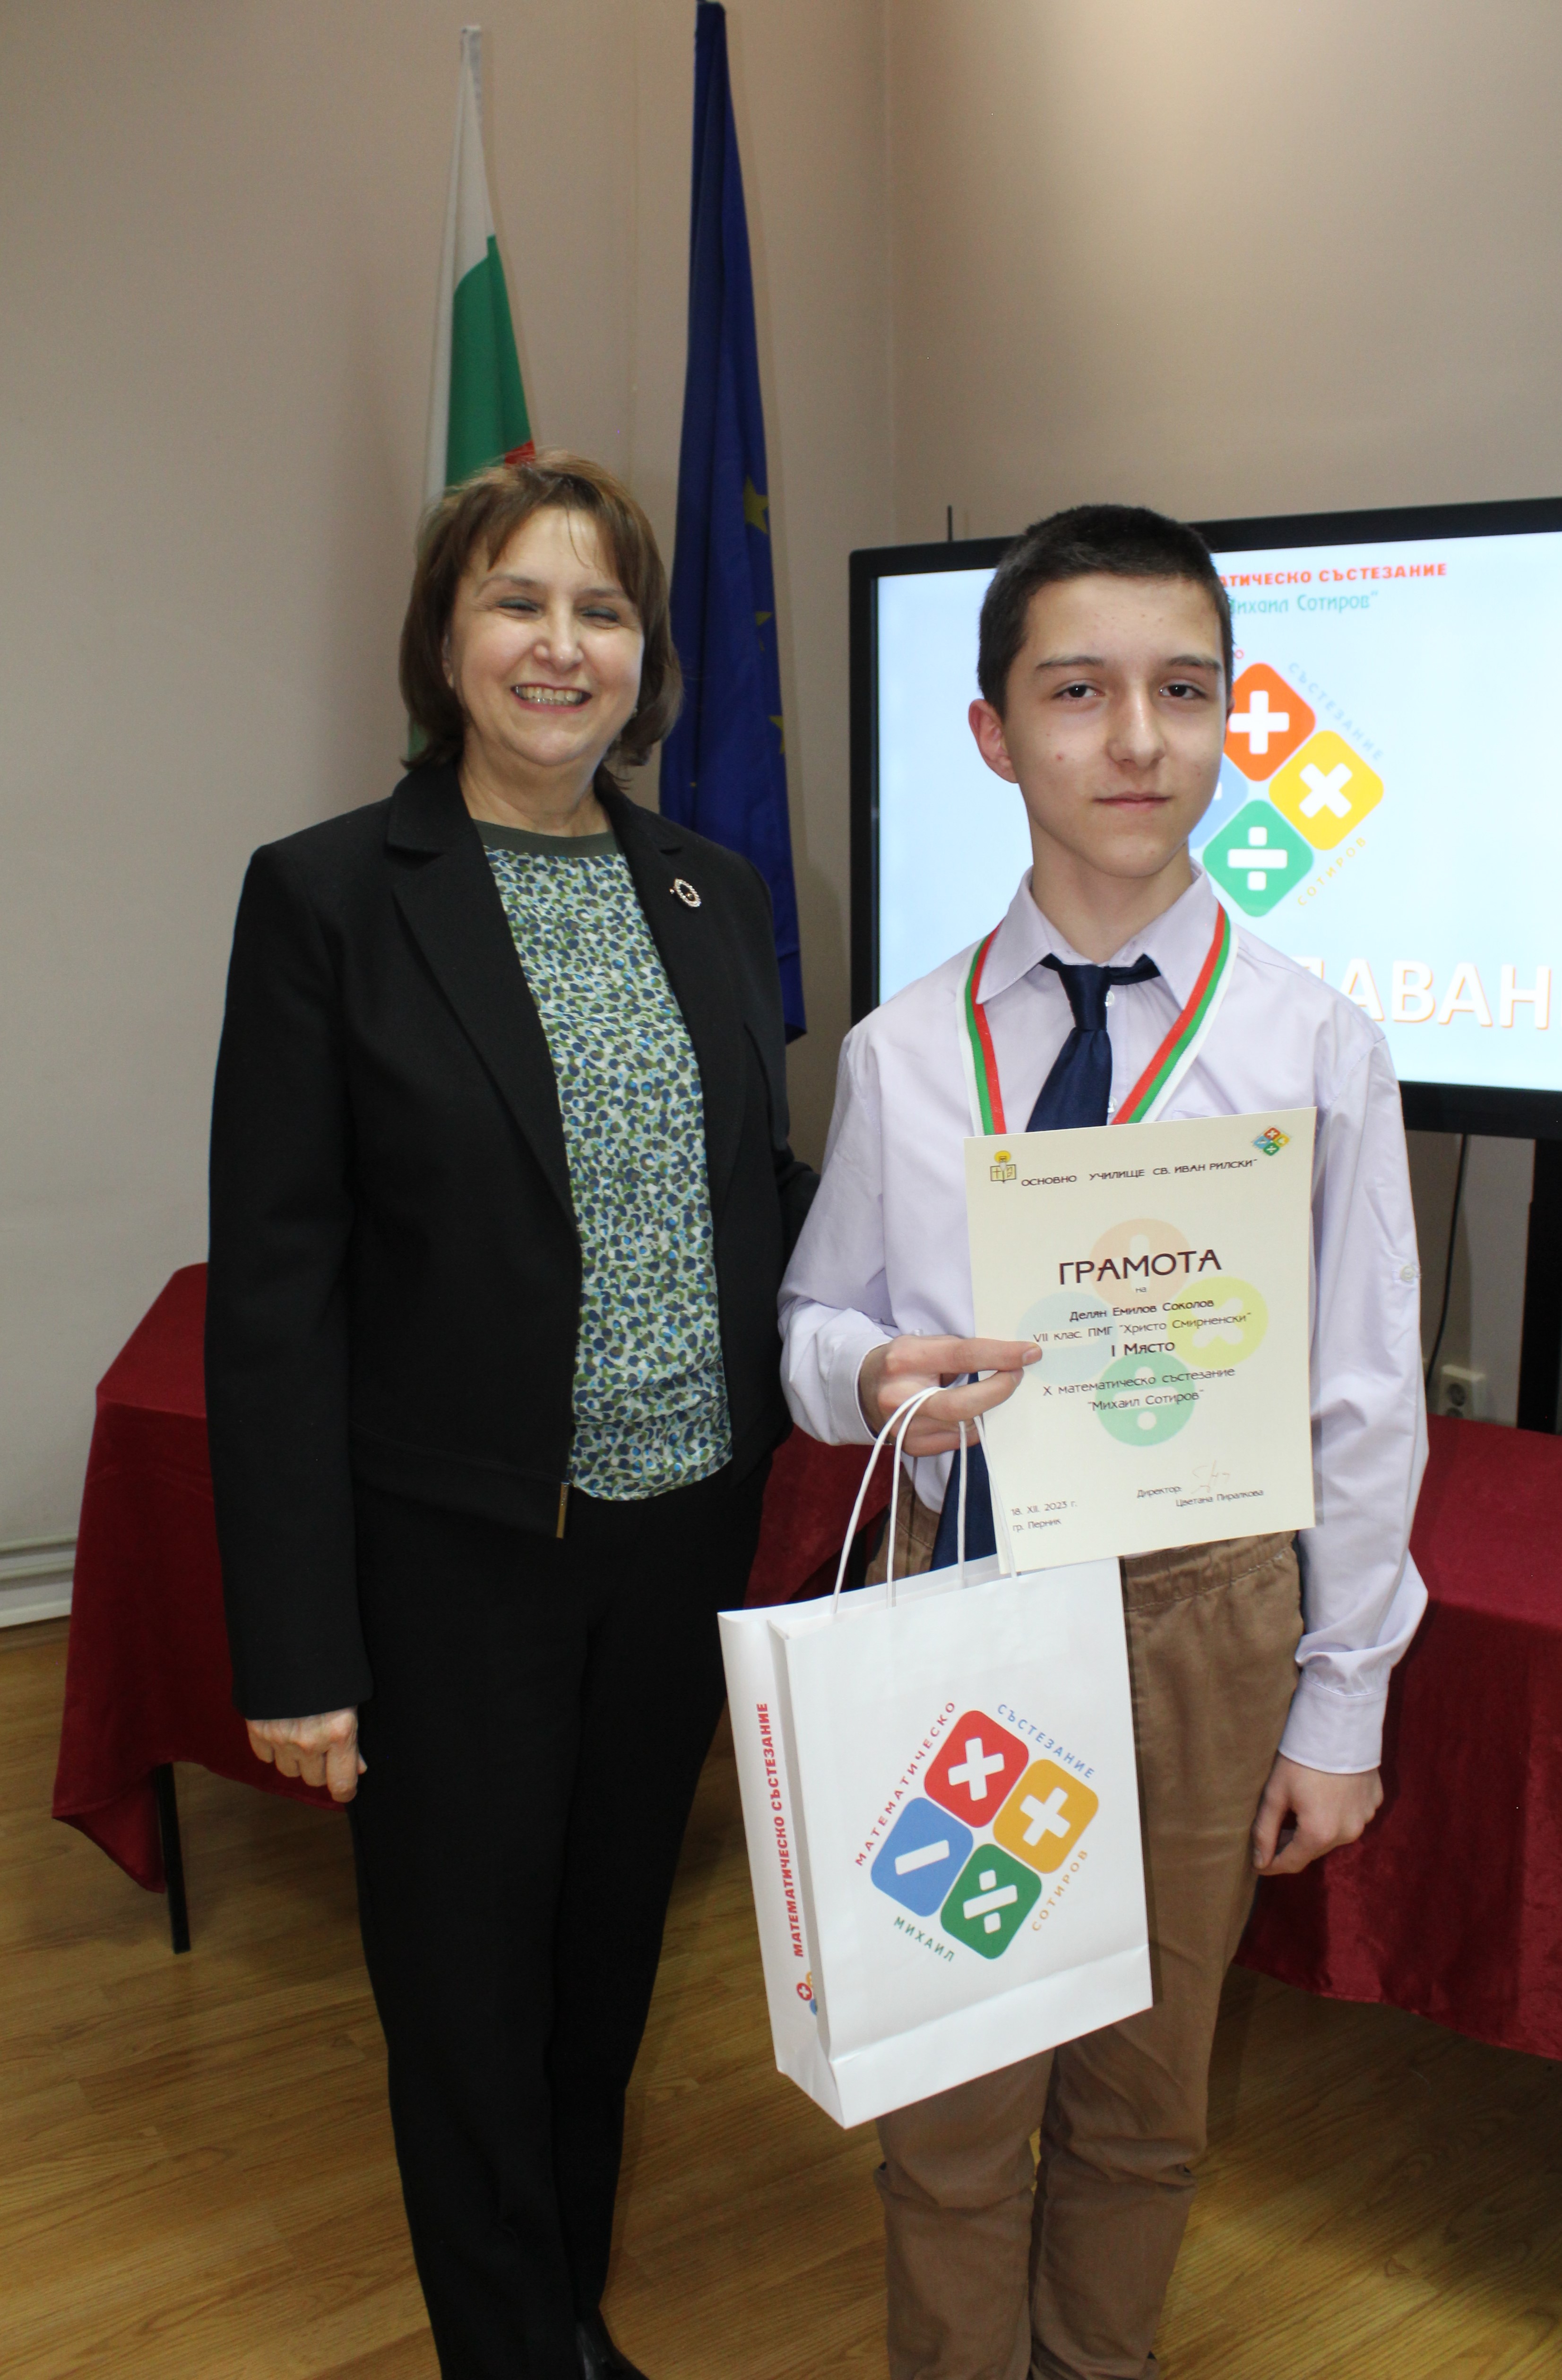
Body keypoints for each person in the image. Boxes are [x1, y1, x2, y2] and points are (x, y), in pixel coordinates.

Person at [779, 503, 1427, 2380]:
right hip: (962, 1595)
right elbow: (812, 1324)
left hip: (1202, 1617)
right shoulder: (906, 1051)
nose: (1136, 738)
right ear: (994, 733)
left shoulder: (1313, 1046)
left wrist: (1340, 1702)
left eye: (1183, 691)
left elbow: (1365, 1392)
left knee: (1146, 2096)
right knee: (951, 2105)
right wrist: (871, 1373)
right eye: (1077, 692)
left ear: (1230, 716)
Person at [205, 454, 815, 2380]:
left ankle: (559, 2311)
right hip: (453, 1565)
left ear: (645, 653)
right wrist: (298, 1646)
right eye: (517, 601)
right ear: (445, 637)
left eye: (602, 610)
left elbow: (755, 1195)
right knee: (464, 1998)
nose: (563, 646)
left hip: (675, 1546)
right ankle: (508, 2347)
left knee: (600, 1966)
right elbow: (277, 1296)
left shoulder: (712, 889)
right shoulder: (327, 897)